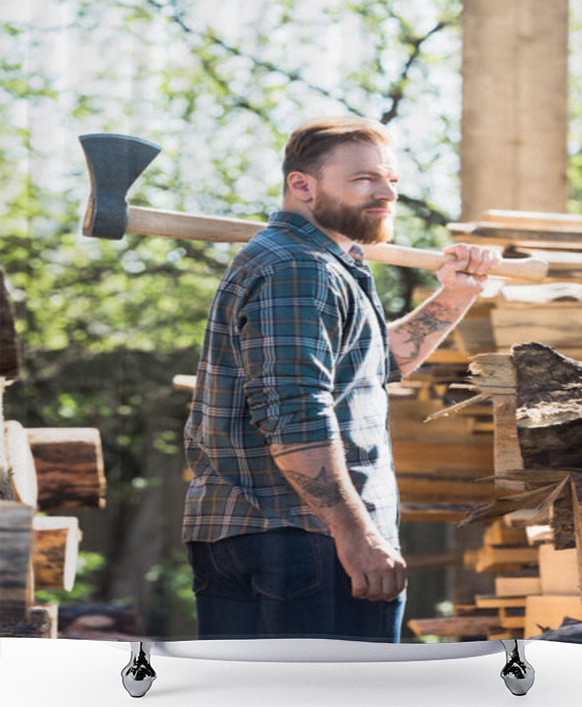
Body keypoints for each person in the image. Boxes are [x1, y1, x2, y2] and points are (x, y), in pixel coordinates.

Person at [182, 115, 500, 642]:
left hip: (268, 536)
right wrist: (357, 537)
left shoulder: (325, 262)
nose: (385, 194)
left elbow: (376, 364)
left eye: (391, 180)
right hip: (304, 541)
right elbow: (293, 411)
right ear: (301, 185)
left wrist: (457, 293)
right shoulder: (299, 266)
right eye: (364, 180)